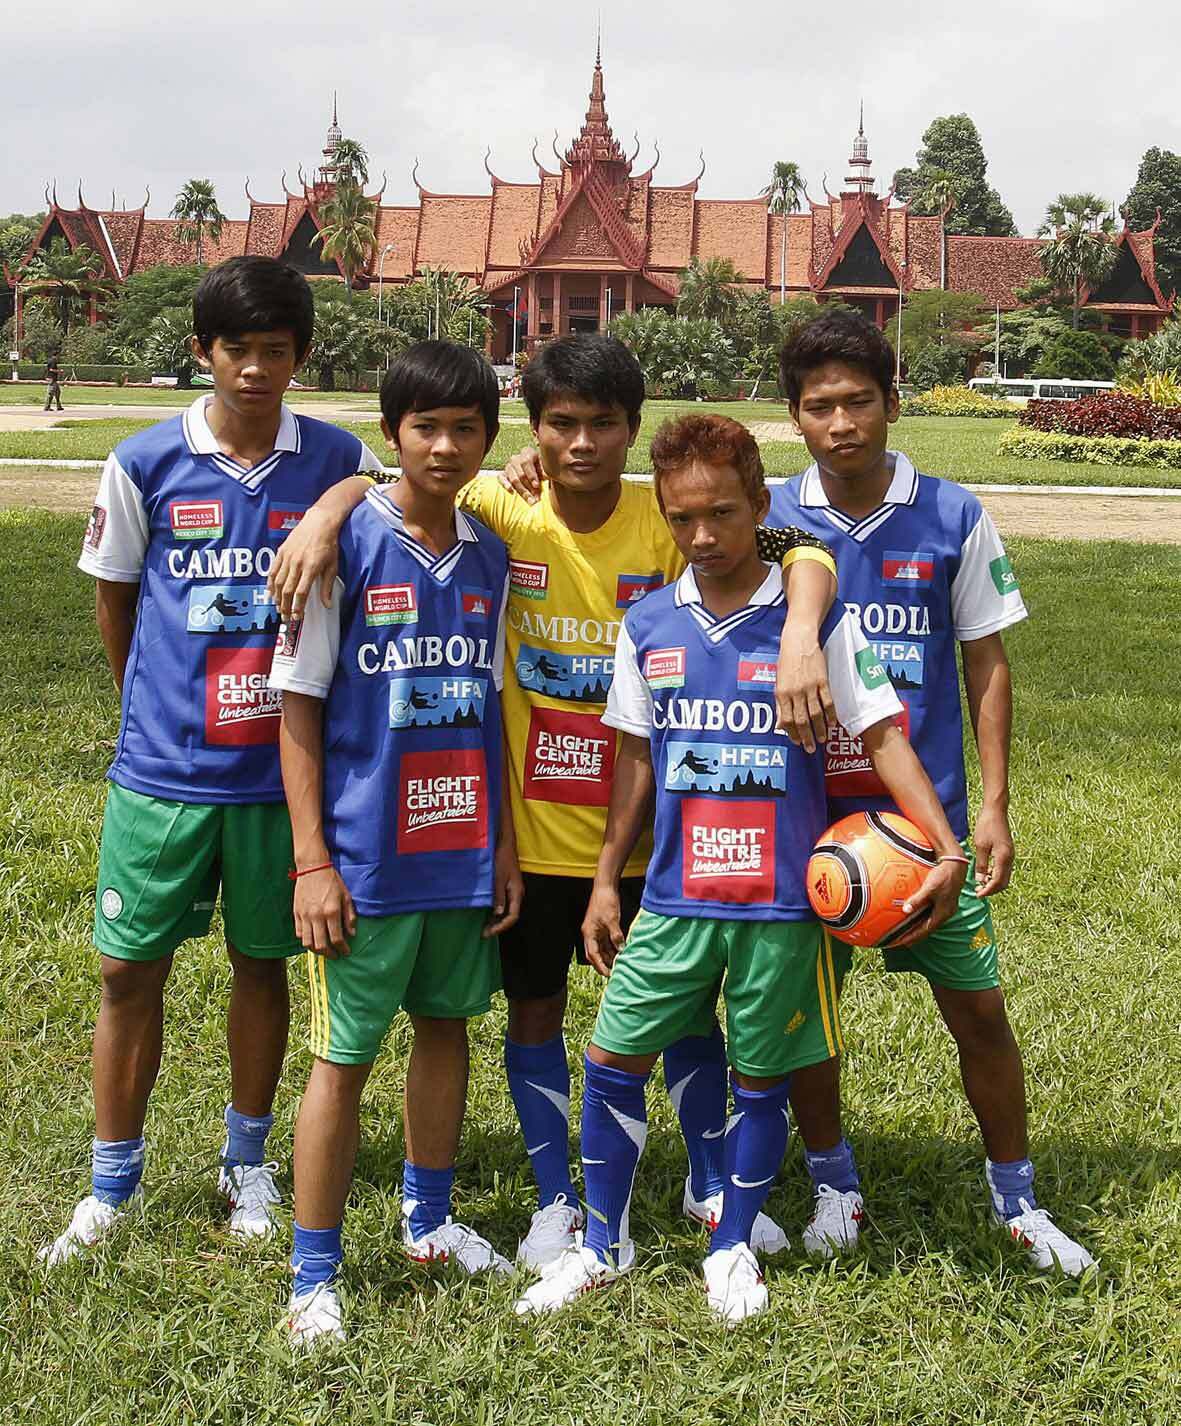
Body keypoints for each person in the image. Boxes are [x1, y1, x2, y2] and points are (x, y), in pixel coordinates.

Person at [267, 334, 840, 1270]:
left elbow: (799, 547)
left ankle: (704, 1182)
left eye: (602, 423)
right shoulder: (497, 508)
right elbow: (399, 479)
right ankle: (553, 1201)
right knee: (532, 1015)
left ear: (633, 428)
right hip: (526, 836)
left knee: (685, 1018)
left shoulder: (668, 515)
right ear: (530, 431)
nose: (580, 443)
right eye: (560, 424)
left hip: (655, 836)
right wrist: (325, 513)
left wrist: (805, 626)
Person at [514, 413, 966, 1321]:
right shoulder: (647, 623)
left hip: (781, 905)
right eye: (681, 518)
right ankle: (601, 1246)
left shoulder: (815, 621)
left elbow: (883, 734)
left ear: (760, 506)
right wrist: (605, 880)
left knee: (760, 1082)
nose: (702, 536)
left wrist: (944, 845)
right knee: (610, 1062)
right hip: (674, 898)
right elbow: (633, 759)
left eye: (721, 514)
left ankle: (731, 1248)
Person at [40, 257, 385, 1268]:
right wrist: (149, 709)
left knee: (259, 964)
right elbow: (117, 600)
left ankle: (247, 1163)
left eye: (276, 351)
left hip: (281, 780)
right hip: (163, 772)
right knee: (124, 971)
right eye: (237, 349)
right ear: (203, 351)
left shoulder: (335, 457)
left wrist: (333, 503)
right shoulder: (143, 461)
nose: (255, 370)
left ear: (300, 357)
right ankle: (111, 1182)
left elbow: (404, 483)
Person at [768, 310, 1095, 1275]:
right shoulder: (768, 513)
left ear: (893, 404)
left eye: (858, 401)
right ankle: (834, 1187)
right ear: (794, 416)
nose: (840, 423)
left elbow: (984, 662)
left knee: (979, 1011)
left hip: (926, 826)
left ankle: (1017, 1199)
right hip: (806, 820)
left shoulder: (951, 514)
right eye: (818, 406)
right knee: (802, 1022)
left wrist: (991, 805)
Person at [270, 341, 521, 1346]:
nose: (445, 446)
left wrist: (502, 846)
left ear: (488, 439)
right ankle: (313, 1274)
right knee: (342, 1058)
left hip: (459, 849)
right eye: (425, 427)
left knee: (446, 1028)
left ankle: (428, 1220)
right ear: (390, 434)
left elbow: (491, 704)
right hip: (364, 857)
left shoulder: (490, 555)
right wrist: (312, 861)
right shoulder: (341, 545)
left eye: (465, 429)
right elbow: (297, 709)